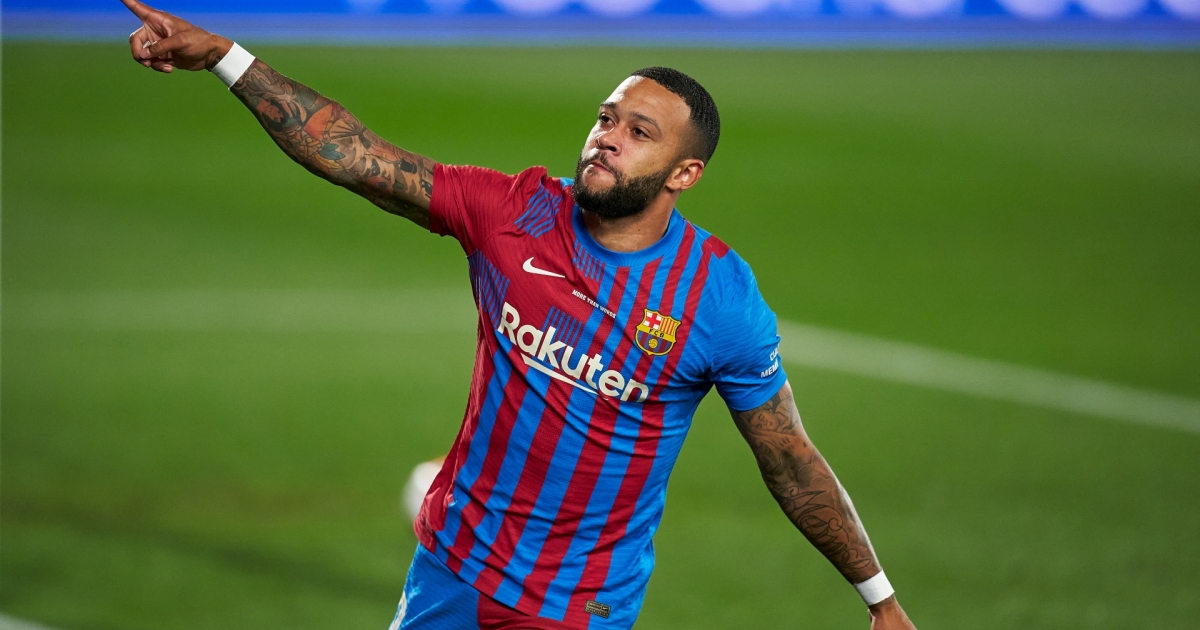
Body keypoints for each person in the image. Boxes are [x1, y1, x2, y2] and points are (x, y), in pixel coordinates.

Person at [119, 2, 918, 628]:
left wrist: (879, 599)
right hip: (450, 571)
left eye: (639, 133)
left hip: (575, 606)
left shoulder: (717, 298)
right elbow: (355, 156)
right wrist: (226, 57)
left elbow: (789, 460)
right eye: (606, 118)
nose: (607, 139)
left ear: (685, 173)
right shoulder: (513, 212)